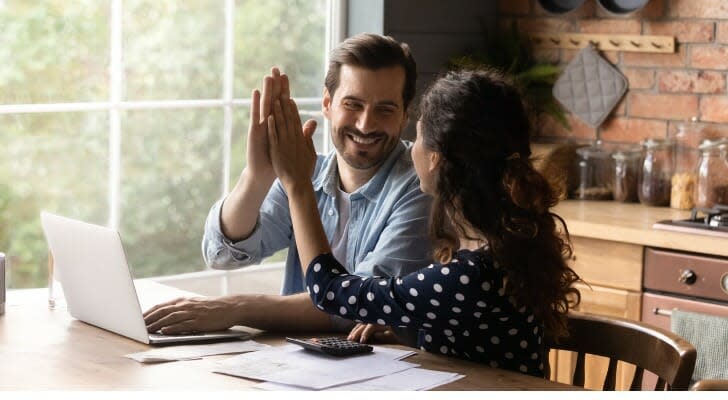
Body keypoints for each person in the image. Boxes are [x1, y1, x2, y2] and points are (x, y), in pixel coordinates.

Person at [264, 68, 582, 377]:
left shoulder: (472, 275)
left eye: (416, 137)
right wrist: (410, 329)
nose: (410, 147)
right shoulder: (498, 250)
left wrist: (298, 185)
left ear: (435, 158)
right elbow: (474, 339)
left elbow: (328, 292)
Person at [143, 33, 432, 338]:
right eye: (352, 104)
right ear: (327, 103)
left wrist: (236, 308)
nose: (365, 124)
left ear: (404, 115)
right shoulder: (308, 171)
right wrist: (258, 175)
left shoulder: (421, 186)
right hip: (296, 363)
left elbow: (362, 306)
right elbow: (222, 254)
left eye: (384, 109)